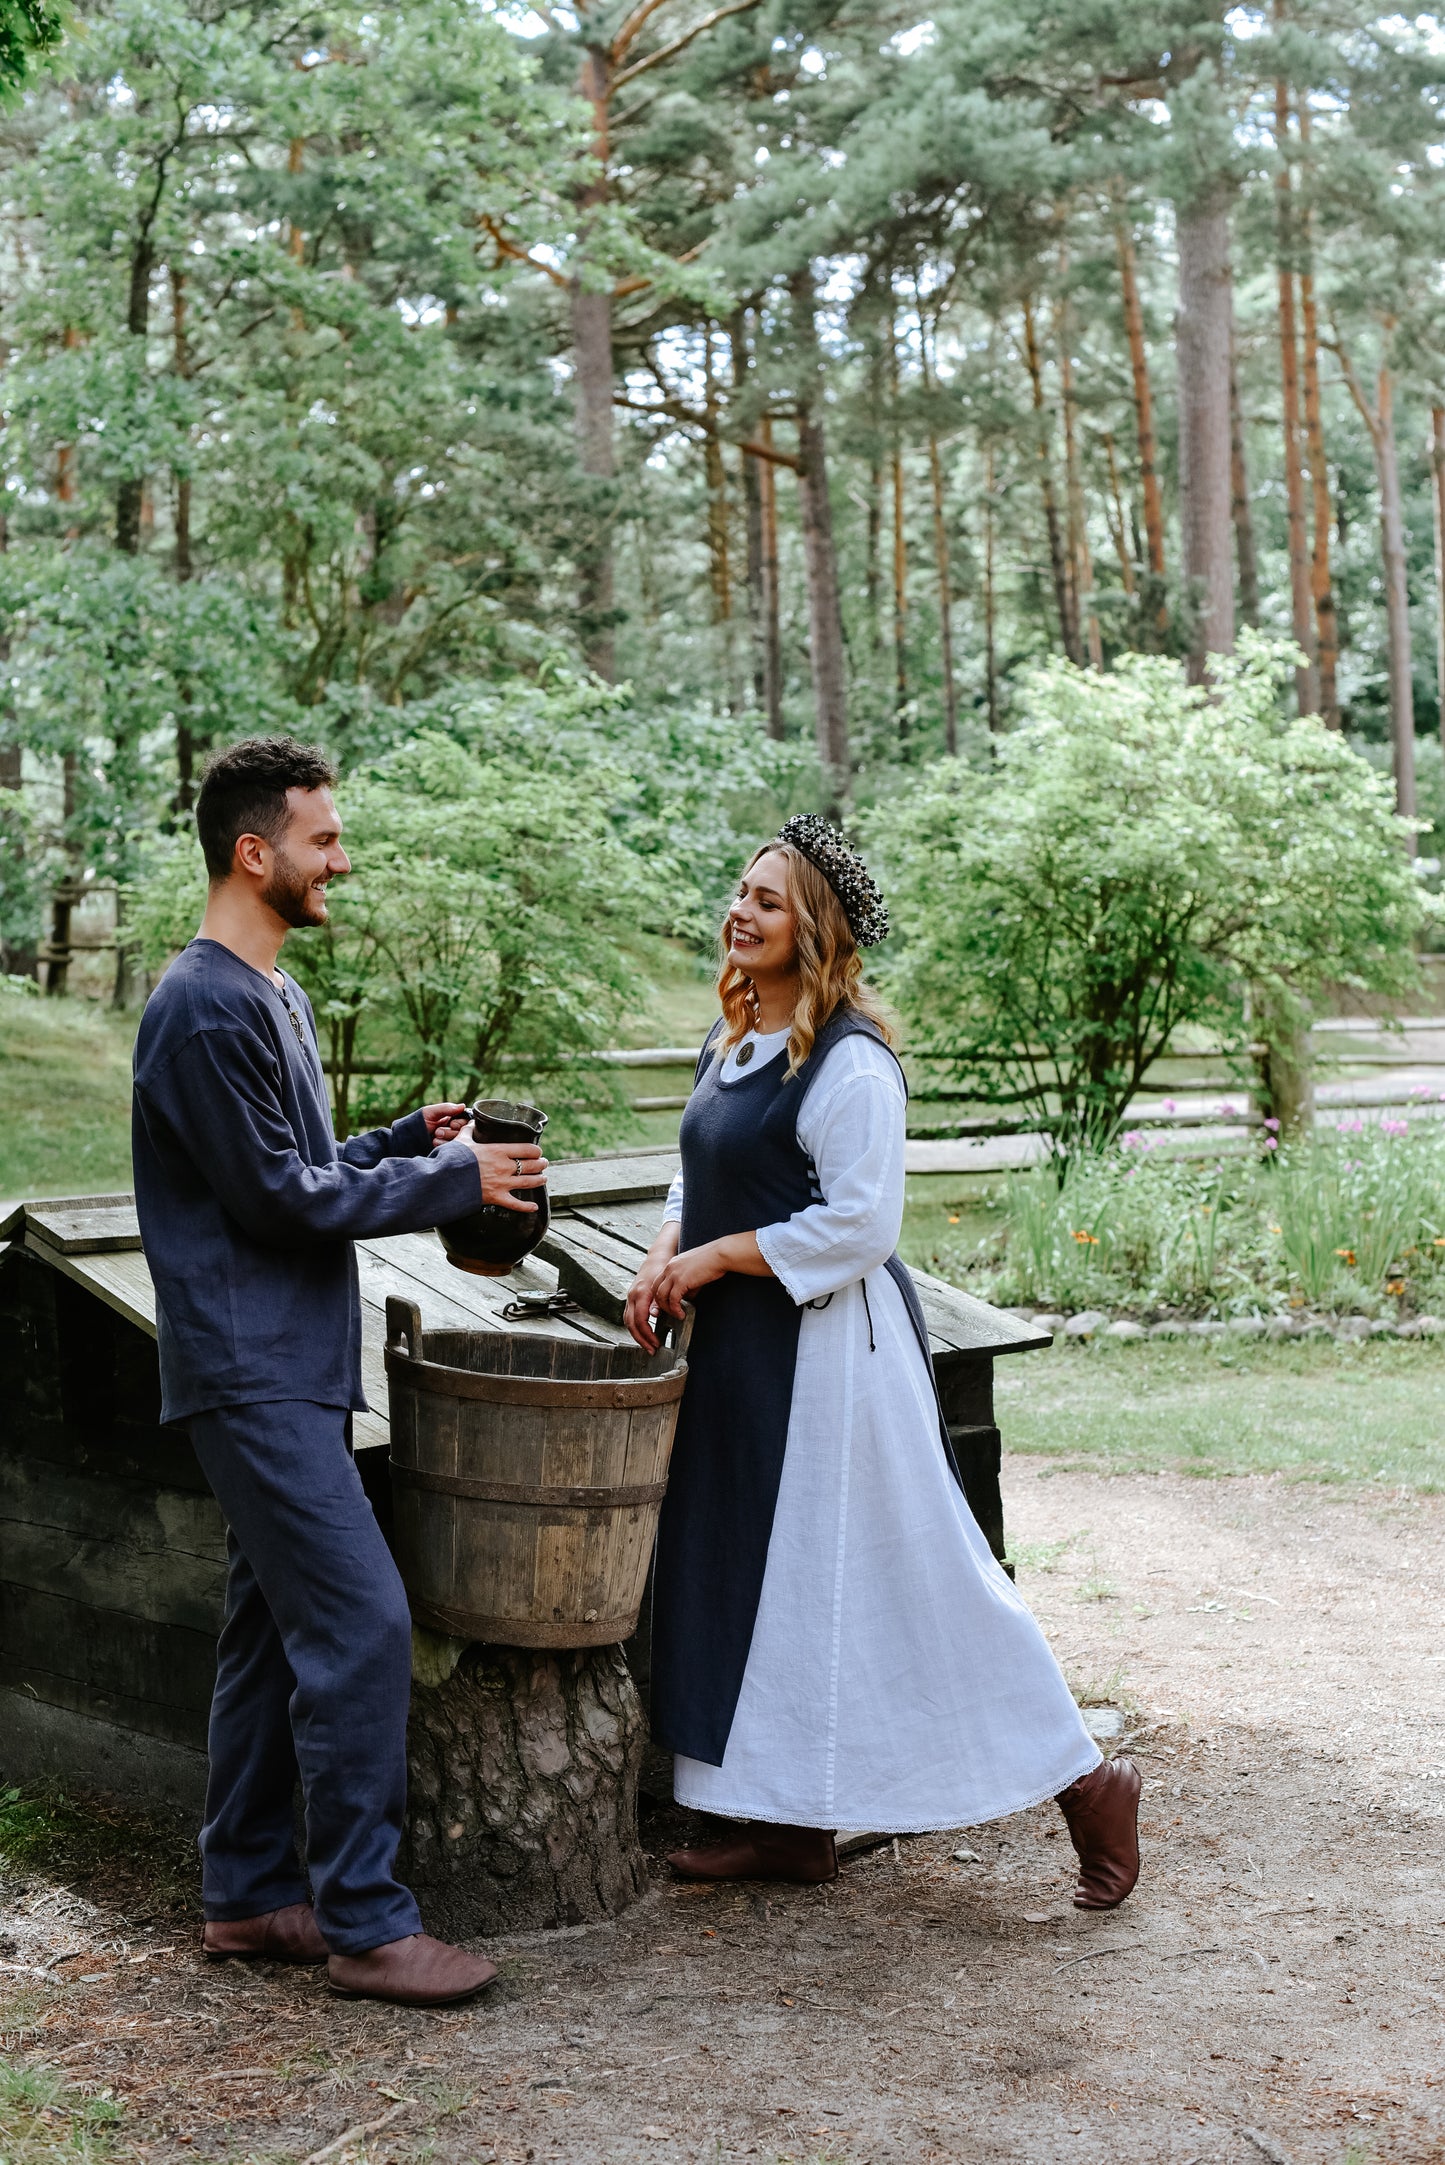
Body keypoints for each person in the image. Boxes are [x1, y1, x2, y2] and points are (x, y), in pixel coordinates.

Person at [624, 815, 1140, 1906]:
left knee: (919, 1577)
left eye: (769, 900)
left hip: (829, 1366)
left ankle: (1089, 1779)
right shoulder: (733, 1039)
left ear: (813, 930)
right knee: (763, 1581)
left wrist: (717, 1255)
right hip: (737, 1354)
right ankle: (784, 1823)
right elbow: (696, 1173)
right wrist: (665, 1254)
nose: (742, 911)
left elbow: (859, 1225)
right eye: (741, 890)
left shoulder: (852, 1061)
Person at [131, 736, 549, 2005]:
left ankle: (252, 1894)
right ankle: (366, 1918)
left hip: (296, 1364)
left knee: (270, 1631)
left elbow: (293, 1159)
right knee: (362, 1621)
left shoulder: (270, 996)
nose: (341, 860)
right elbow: (270, 1201)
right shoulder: (199, 1003)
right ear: (253, 852)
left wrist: (397, 1139)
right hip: (249, 1369)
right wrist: (451, 1180)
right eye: (322, 839)